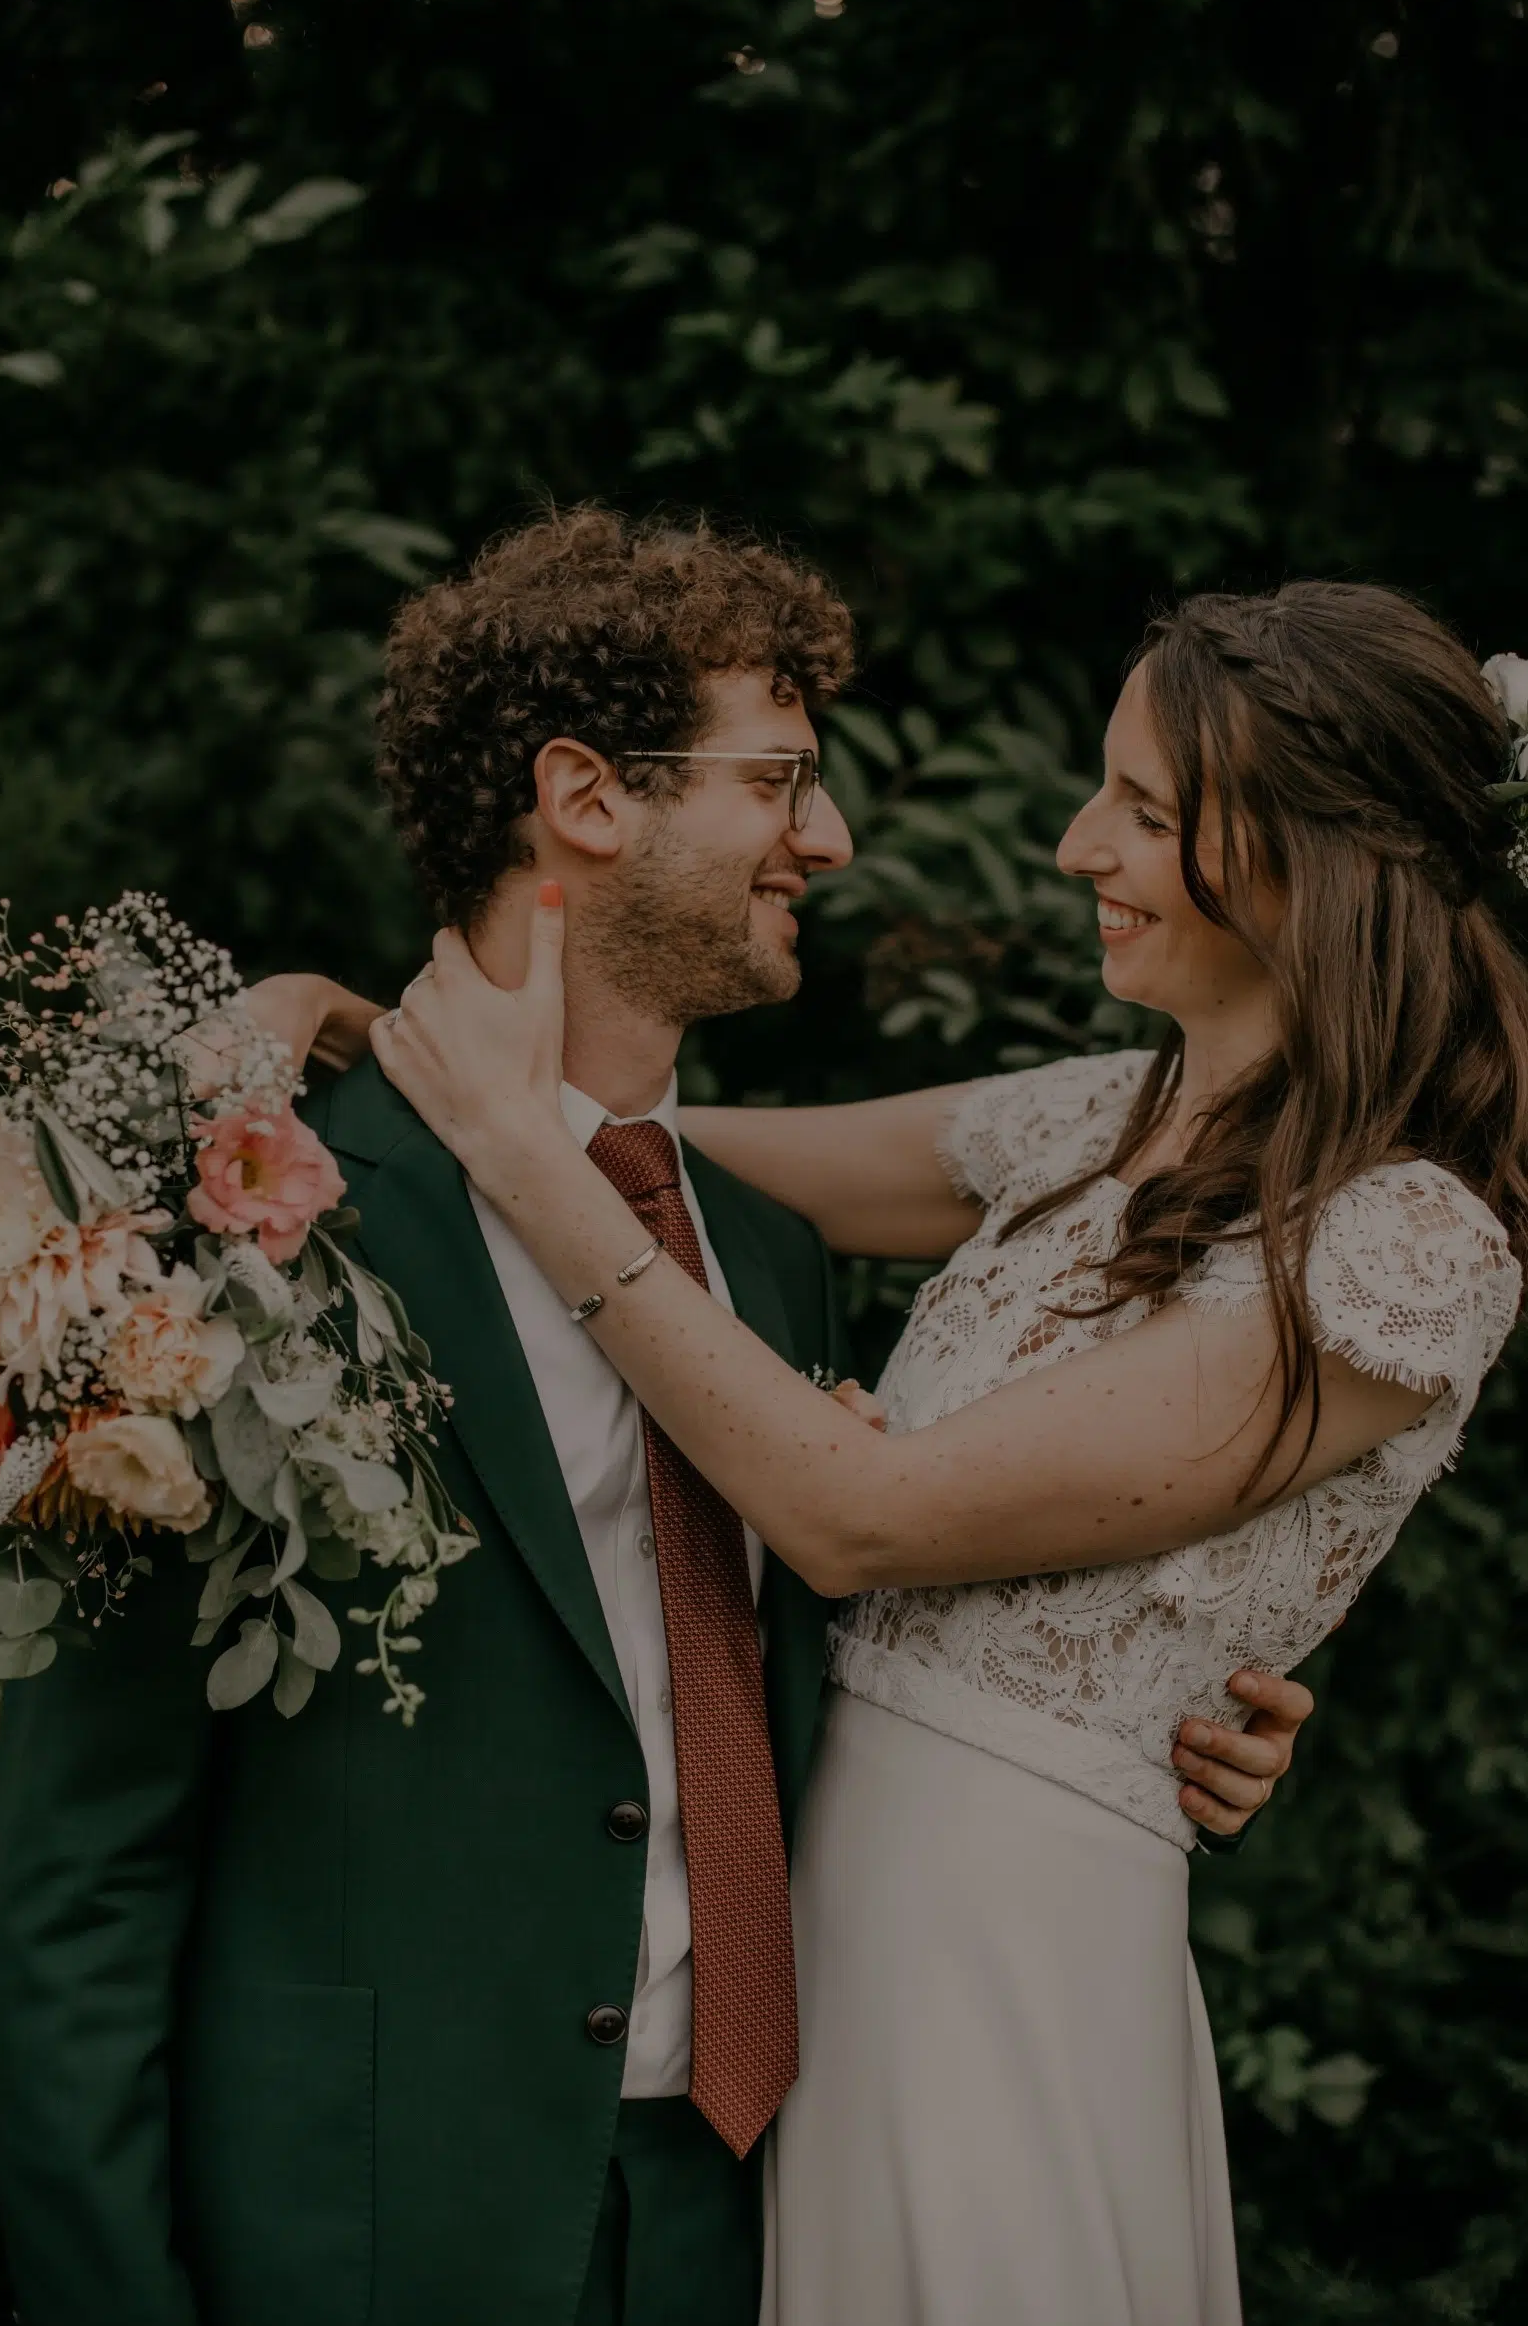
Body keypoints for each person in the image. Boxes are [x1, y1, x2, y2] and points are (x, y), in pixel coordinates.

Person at [0, 508, 1294, 2326]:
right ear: (588, 799)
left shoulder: (760, 1256)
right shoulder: (228, 1245)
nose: (827, 840)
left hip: (740, 2214)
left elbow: (847, 1625)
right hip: (358, 2232)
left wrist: (1165, 1688)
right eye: (781, 783)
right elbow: (79, 1881)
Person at [363, 578, 1527, 2326]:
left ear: (1313, 857)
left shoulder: (1407, 1246)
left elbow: (859, 1517)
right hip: (820, 1924)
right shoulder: (1087, 1121)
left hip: (1000, 1948)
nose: (1078, 849)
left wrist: (514, 1150)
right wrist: (355, 1039)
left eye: (1141, 811)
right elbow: (659, 1150)